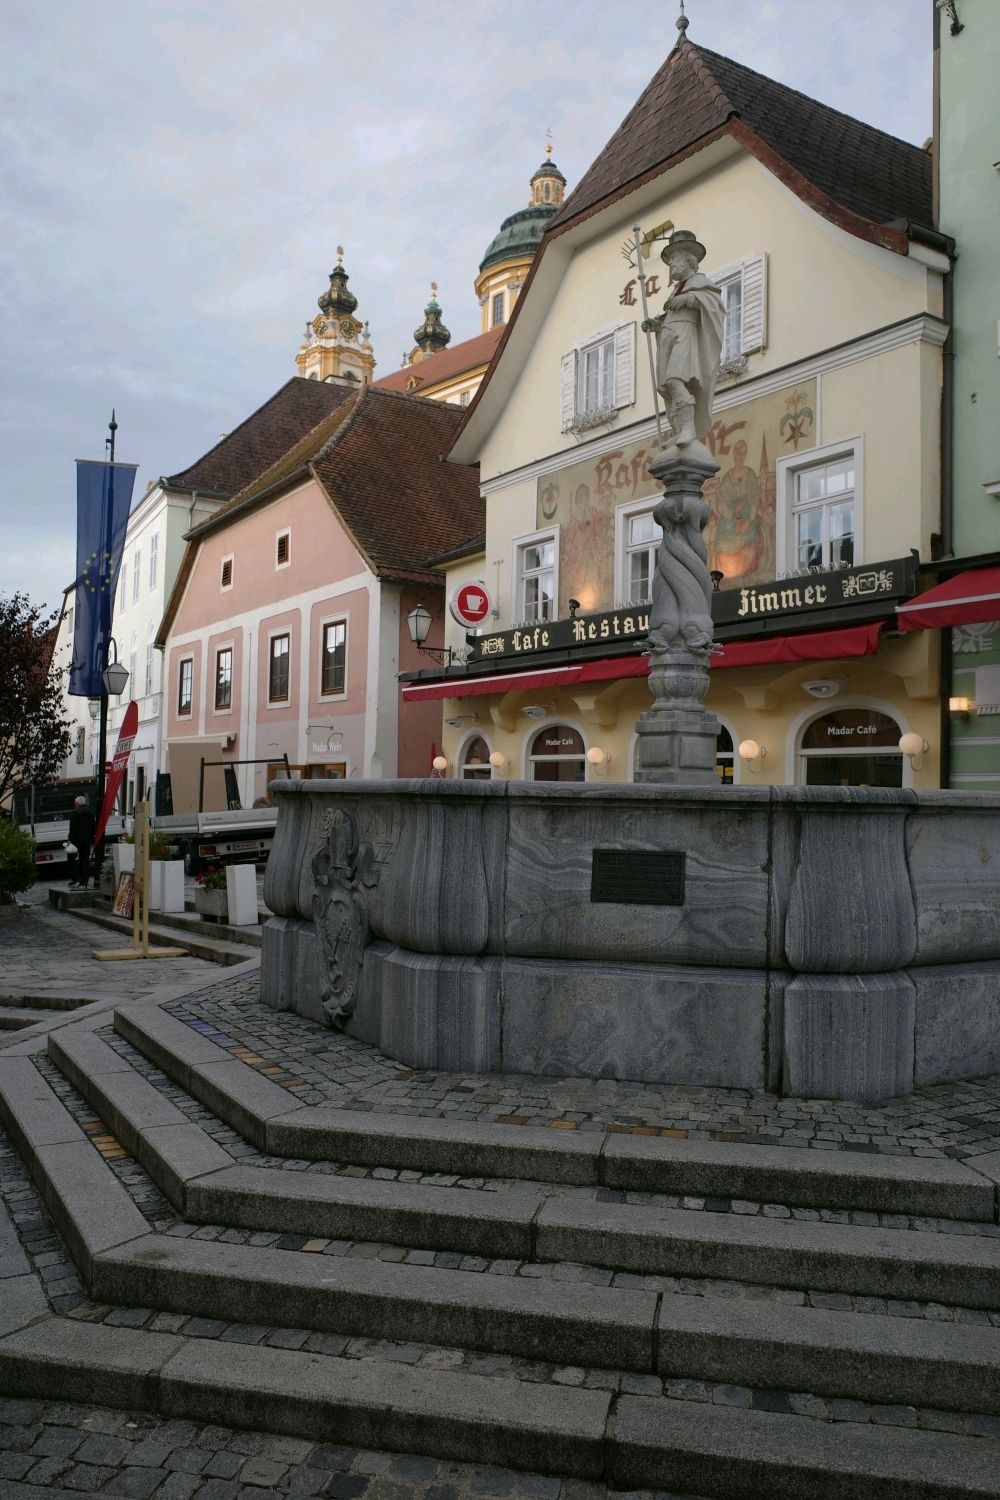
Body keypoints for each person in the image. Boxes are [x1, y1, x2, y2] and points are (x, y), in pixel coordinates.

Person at [641, 229, 725, 450]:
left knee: (675, 379)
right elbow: (672, 315)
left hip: (685, 336)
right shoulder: (675, 290)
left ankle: (688, 428)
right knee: (667, 386)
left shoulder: (699, 282)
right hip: (670, 338)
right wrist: (656, 324)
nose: (671, 268)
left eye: (674, 263)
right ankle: (679, 429)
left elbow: (714, 304)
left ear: (689, 261)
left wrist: (689, 298)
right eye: (669, 264)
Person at [68, 795, 96, 889]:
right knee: (85, 859)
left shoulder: (75, 812)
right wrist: (92, 838)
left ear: (77, 803)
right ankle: (85, 880)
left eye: (75, 803)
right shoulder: (90, 812)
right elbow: (93, 826)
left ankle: (76, 877)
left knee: (72, 858)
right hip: (87, 840)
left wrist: (70, 839)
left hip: (77, 840)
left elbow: (73, 828)